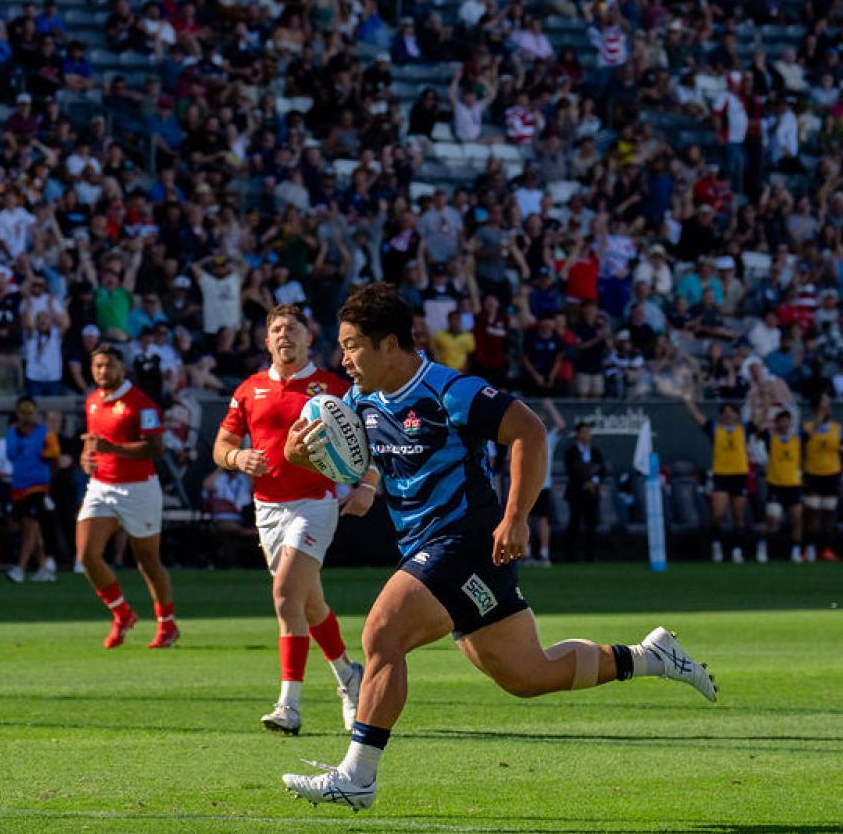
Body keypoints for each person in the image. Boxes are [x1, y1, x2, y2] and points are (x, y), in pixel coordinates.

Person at [279, 283, 714, 810]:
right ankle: (649, 657)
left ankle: (358, 776)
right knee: (527, 674)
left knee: (382, 632)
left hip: (466, 539)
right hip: (428, 546)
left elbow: (530, 431)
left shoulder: (449, 390)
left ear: (389, 344)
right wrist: (298, 452)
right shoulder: (360, 400)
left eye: (351, 346)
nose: (342, 359)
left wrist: (516, 517)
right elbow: (330, 456)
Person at [213, 304, 362, 735]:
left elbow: (367, 441)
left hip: (315, 503)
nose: (284, 336)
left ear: (309, 337)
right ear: (266, 340)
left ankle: (289, 706)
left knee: (283, 597)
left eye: (292, 329)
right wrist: (237, 456)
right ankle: (350, 677)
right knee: (308, 604)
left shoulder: (332, 388)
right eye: (276, 329)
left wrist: (366, 484)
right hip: (267, 509)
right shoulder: (248, 389)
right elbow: (222, 444)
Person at [78, 345, 176, 649]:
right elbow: (93, 443)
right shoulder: (93, 401)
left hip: (138, 488)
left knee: (147, 562)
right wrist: (86, 457)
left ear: (122, 368)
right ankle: (122, 613)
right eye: (97, 366)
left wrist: (113, 449)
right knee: (86, 555)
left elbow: (155, 448)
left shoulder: (141, 404)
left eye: (108, 366)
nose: (102, 372)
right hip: (101, 486)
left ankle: (167, 624)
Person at [0, 397, 61, 583]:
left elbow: (55, 461)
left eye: (29, 411)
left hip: (37, 485)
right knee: (26, 527)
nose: (26, 415)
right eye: (23, 411)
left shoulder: (46, 434)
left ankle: (20, 568)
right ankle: (43, 567)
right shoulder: (11, 433)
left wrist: (47, 480)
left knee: (30, 524)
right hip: (18, 485)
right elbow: (12, 456)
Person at [682, 397, 754, 563]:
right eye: (725, 412)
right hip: (721, 475)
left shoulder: (744, 429)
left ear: (737, 414)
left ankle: (737, 550)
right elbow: (696, 416)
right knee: (717, 513)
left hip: (739, 475)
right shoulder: (715, 429)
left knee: (738, 515)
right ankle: (716, 547)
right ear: (721, 415)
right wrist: (688, 400)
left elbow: (761, 418)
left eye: (731, 411)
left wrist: (766, 398)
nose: (728, 415)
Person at [800, 393, 843, 563]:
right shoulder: (807, 427)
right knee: (811, 512)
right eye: (823, 405)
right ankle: (807, 549)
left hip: (832, 474)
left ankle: (826, 549)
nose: (827, 409)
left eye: (828, 406)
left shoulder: (839, 428)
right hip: (812, 473)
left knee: (829, 512)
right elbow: (802, 445)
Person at [527, 400, 566, 566]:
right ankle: (525, 553)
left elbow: (561, 425)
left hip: (543, 486)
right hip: (525, 486)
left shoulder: (548, 439)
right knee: (524, 519)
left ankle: (544, 553)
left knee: (542, 519)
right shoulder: (521, 439)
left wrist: (550, 407)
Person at [562, 419, 604, 562]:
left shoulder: (596, 452)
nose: (587, 435)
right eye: (584, 432)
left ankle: (590, 556)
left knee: (591, 525)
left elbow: (601, 470)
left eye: (588, 432)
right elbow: (571, 470)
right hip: (576, 493)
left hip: (592, 494)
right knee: (574, 524)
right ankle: (570, 556)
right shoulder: (571, 452)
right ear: (578, 434)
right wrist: (584, 483)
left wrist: (594, 482)